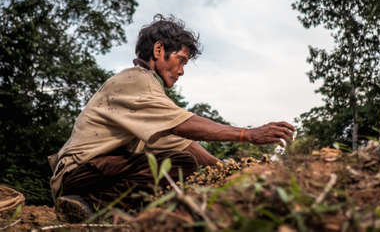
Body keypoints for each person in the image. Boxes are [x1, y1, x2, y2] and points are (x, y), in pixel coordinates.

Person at [49, 14, 294, 222]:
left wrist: (223, 169)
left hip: (94, 173)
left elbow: (181, 142)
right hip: (78, 176)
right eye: (181, 60)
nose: (182, 71)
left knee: (182, 161)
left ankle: (115, 210)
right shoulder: (135, 80)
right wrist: (247, 134)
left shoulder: (148, 93)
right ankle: (90, 205)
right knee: (179, 165)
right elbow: (184, 125)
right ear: (159, 50)